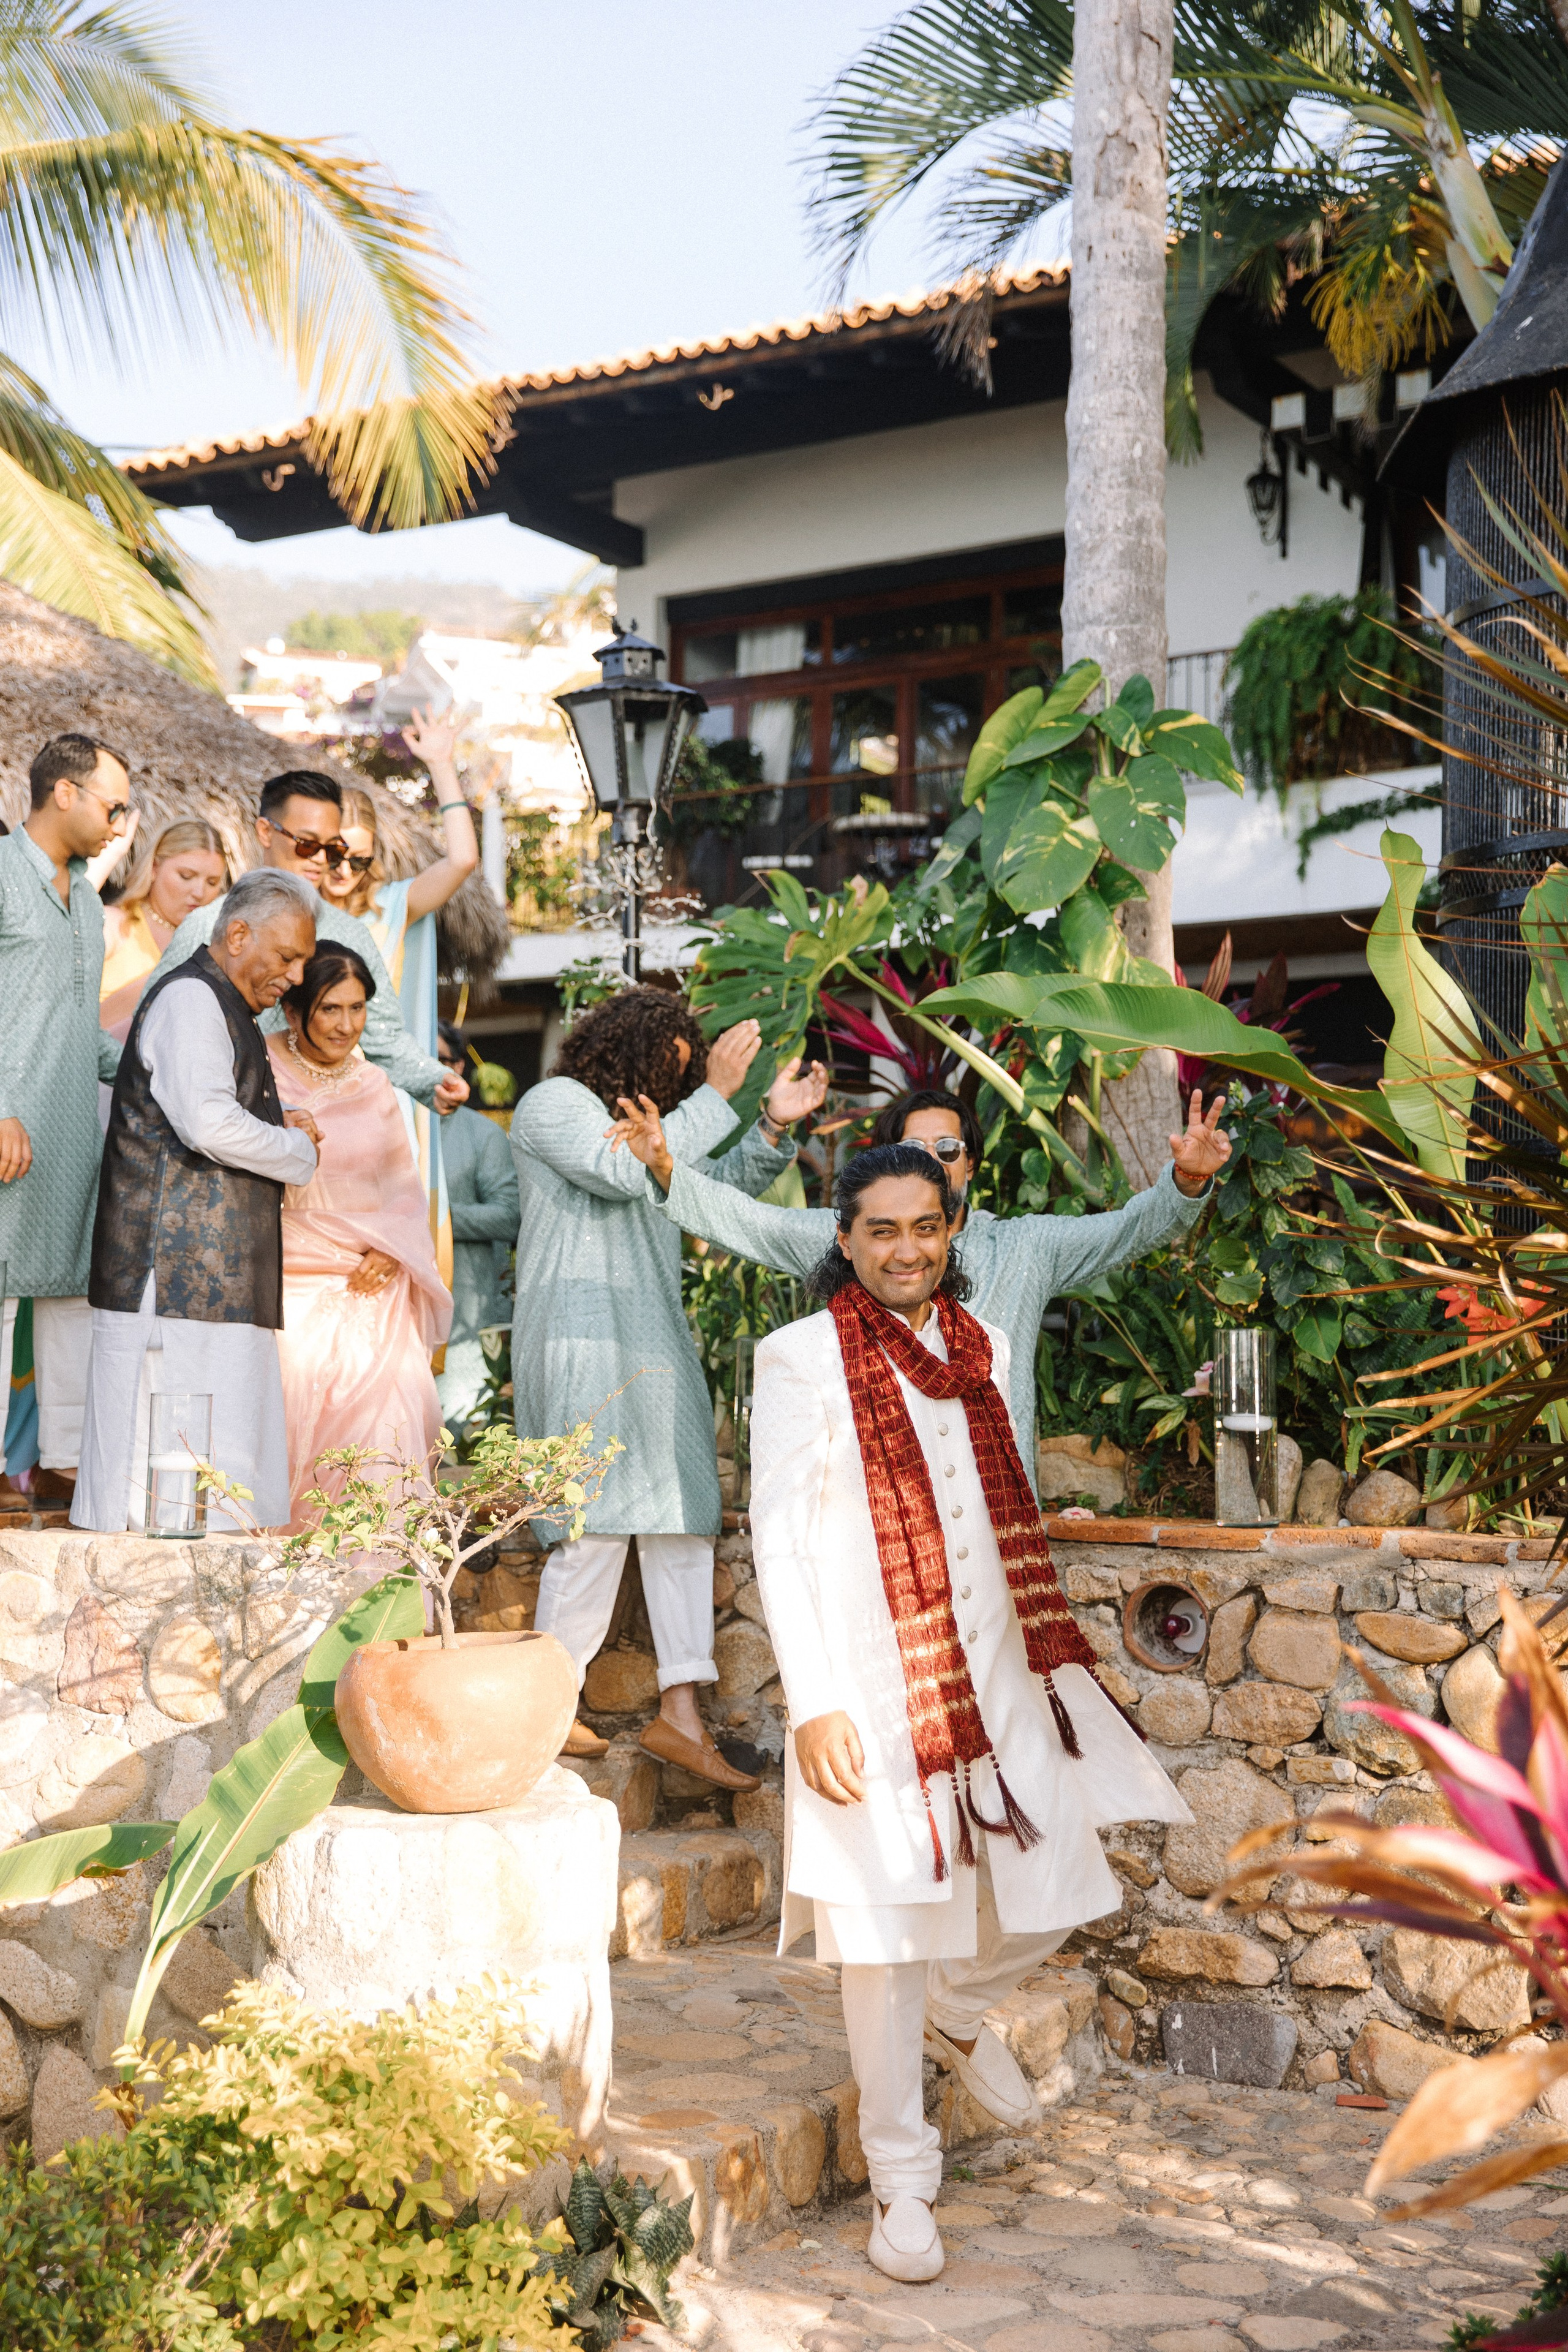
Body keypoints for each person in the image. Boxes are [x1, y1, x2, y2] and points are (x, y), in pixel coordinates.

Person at [748, 1145, 1207, 2284]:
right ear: (845, 1241)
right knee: (888, 1933)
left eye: (925, 1228)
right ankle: (903, 2181)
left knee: (1059, 1876)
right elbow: (782, 1534)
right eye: (882, 1230)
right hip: (874, 1678)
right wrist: (814, 1704)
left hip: (1001, 1669)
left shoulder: (985, 1346)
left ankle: (958, 2016)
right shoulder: (800, 1357)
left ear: (950, 1232)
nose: (906, 1249)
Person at [613, 1080, 1229, 1490]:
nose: (932, 1158)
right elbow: (749, 1223)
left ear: (970, 1162)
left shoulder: (1025, 1247)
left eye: (947, 1146)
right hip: (878, 1500)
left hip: (993, 1502)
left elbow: (1129, 1231)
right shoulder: (849, 1238)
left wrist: (1187, 1181)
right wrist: (665, 1167)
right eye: (913, 1147)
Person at [511, 985, 822, 1785]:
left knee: (684, 1518)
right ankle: (544, 1707)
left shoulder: (659, 1131)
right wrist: (716, 1095)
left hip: (652, 1335)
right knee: (593, 1526)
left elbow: (702, 1186)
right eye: (670, 1072)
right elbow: (624, 1169)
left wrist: (772, 1123)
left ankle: (681, 1716)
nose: (674, 1092)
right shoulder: (553, 1104)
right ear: (627, 1054)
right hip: (580, 1341)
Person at [73, 870, 323, 1535]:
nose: (296, 977)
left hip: (209, 1281)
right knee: (163, 1496)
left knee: (209, 1486)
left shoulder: (221, 1004)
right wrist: (296, 1151)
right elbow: (207, 1123)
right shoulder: (191, 1000)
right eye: (288, 956)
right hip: (175, 1277)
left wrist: (279, 1125)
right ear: (237, 934)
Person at [149, 769, 469, 1123]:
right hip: (223, 1131)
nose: (320, 859)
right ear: (265, 832)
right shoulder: (208, 926)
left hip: (325, 1133)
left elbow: (384, 1037)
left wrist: (435, 1080)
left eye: (332, 848)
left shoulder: (350, 935)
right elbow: (153, 1028)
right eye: (307, 844)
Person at [268, 948, 452, 1526]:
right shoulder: (258, 1068)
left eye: (358, 1008)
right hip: (288, 1283)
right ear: (295, 1011)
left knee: (387, 1438)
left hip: (373, 1287)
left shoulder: (374, 1083)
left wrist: (390, 1250)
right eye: (330, 1009)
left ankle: (384, 1600)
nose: (347, 1025)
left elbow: (403, 1188)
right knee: (294, 1434)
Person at [0, 734, 131, 1512]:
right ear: (65, 793)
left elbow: (78, 1025)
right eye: (112, 804)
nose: (120, 823)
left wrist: (149, 1077)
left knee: (72, 1297)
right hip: (8, 1131)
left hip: (72, 1137)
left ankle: (67, 1467)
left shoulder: (86, 896)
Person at [319, 709, 480, 1275]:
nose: (344, 868)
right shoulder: (285, 912)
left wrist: (440, 763)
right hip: (300, 1096)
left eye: (358, 859)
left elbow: (462, 860)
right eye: (334, 853)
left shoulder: (390, 909)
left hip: (376, 1097)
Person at [433, 1020, 518, 1432]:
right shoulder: (387, 1126)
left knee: (460, 1444)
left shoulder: (484, 1135)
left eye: (438, 1061)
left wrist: (434, 1221)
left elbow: (510, 1214)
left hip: (464, 1317)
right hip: (387, 1314)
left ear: (459, 1067)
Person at [97, 817, 228, 1038]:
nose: (199, 892)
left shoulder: (214, 948)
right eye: (186, 876)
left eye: (212, 883)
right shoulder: (111, 925)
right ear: (155, 867)